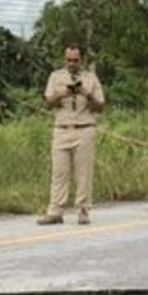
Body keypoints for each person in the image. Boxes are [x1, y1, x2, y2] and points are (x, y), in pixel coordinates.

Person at [38, 45, 105, 226]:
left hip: (84, 128)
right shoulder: (56, 76)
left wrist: (85, 93)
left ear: (80, 60)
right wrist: (63, 93)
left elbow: (100, 106)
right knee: (59, 172)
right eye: (69, 60)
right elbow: (48, 102)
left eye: (75, 60)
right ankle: (55, 211)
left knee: (84, 172)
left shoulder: (90, 78)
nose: (72, 64)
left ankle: (83, 210)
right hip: (62, 128)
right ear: (64, 59)